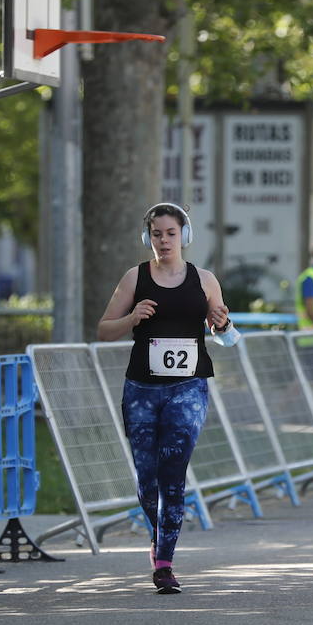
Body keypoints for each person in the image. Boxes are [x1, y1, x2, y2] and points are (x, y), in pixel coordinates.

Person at [97, 202, 232, 594]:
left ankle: (165, 564)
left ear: (184, 236)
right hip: (141, 389)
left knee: (173, 470)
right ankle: (159, 537)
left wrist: (222, 323)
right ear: (147, 237)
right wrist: (131, 318)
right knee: (147, 481)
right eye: (157, 234)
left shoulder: (204, 280)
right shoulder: (134, 278)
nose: (164, 241)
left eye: (171, 233)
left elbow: (224, 332)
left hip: (188, 388)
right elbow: (104, 330)